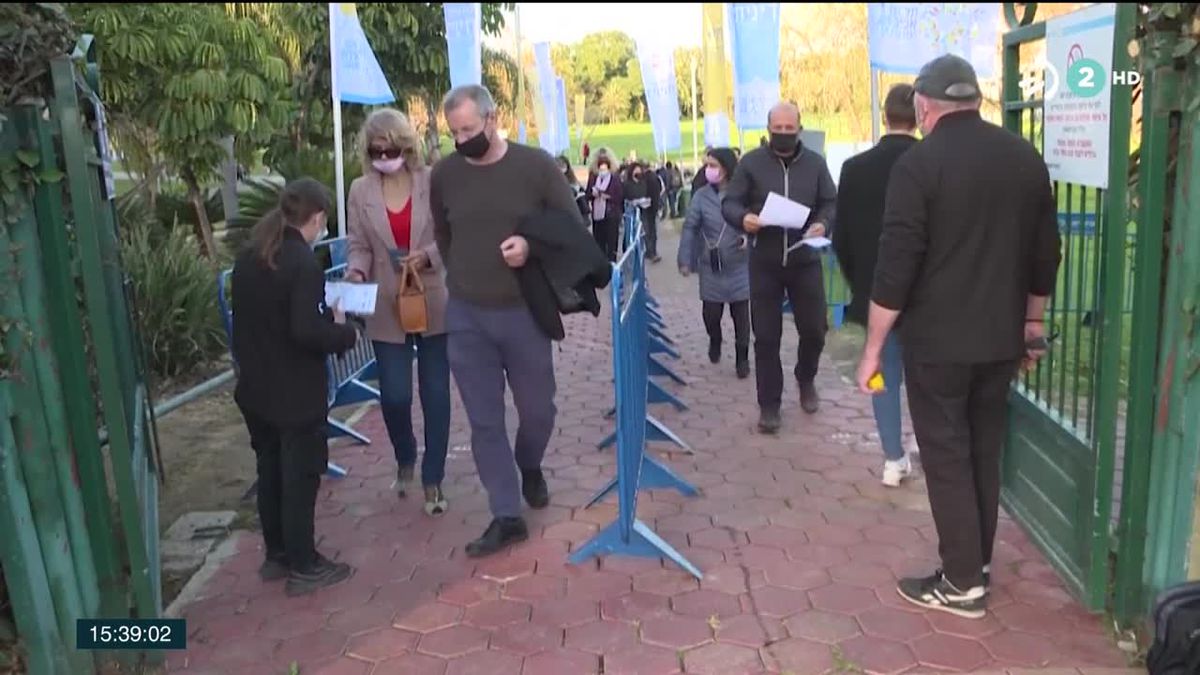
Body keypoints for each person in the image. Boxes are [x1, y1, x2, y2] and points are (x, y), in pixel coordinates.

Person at [855, 55, 1061, 619]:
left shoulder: (920, 166)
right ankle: (978, 560)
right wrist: (1033, 325)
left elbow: (894, 267)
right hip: (1001, 340)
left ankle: (962, 583)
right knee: (982, 451)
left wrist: (873, 349)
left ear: (924, 106)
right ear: (975, 99)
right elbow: (1047, 252)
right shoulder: (1024, 157)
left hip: (938, 346)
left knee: (946, 457)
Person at [430, 84, 586, 558]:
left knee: (538, 410)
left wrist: (530, 248)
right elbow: (444, 232)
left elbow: (571, 226)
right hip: (467, 316)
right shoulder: (444, 174)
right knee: (484, 420)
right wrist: (462, 274)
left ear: (493, 119)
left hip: (523, 312)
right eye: (454, 133)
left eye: (470, 130)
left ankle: (530, 465)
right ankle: (506, 513)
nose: (462, 140)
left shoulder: (534, 166)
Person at [231, 178, 359, 597]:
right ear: (318, 218)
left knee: (269, 471)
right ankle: (305, 563)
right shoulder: (302, 263)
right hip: (295, 390)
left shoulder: (251, 256)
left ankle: (278, 554)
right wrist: (343, 333)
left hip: (255, 388)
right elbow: (306, 330)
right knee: (300, 475)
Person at [345, 109, 452, 517]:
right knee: (394, 395)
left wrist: (428, 256)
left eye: (391, 148)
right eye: (376, 150)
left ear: (407, 146)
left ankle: (433, 478)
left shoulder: (432, 181)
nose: (384, 156)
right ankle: (404, 453)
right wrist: (356, 272)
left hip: (433, 298)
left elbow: (449, 234)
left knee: (436, 393)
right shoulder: (360, 190)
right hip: (387, 305)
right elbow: (358, 244)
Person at [722, 101, 837, 435]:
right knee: (767, 337)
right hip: (765, 262)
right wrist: (743, 219)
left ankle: (806, 377)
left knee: (815, 329)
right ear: (768, 128)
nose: (784, 134)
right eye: (779, 129)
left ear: (800, 128)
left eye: (790, 129)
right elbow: (730, 202)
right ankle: (769, 405)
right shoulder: (752, 164)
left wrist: (822, 223)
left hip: (805, 261)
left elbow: (830, 202)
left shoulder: (815, 164)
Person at [832, 84, 919, 488]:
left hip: (873, 288)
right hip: (926, 293)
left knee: (882, 373)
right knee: (924, 378)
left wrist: (859, 281)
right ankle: (926, 446)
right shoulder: (929, 162)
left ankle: (891, 457)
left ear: (885, 115)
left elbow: (842, 237)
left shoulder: (854, 168)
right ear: (918, 115)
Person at [678, 148, 751, 379]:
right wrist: (685, 259)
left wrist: (748, 238)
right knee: (711, 313)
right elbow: (690, 227)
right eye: (706, 165)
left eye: (713, 165)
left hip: (739, 264)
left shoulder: (744, 194)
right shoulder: (701, 196)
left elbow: (756, 220)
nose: (708, 170)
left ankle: (742, 358)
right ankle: (715, 339)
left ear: (727, 168)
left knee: (741, 315)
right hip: (711, 264)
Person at [586, 153, 623, 261]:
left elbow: (619, 196)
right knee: (599, 241)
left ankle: (612, 263)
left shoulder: (614, 179)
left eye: (604, 168)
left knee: (611, 242)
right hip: (597, 215)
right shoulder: (594, 178)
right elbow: (587, 193)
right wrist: (593, 194)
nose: (602, 171)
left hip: (611, 214)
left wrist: (608, 197)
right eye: (600, 169)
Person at [557, 154, 590, 222]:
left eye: (563, 165)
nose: (561, 168)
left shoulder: (572, 179)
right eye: (559, 165)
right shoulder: (553, 180)